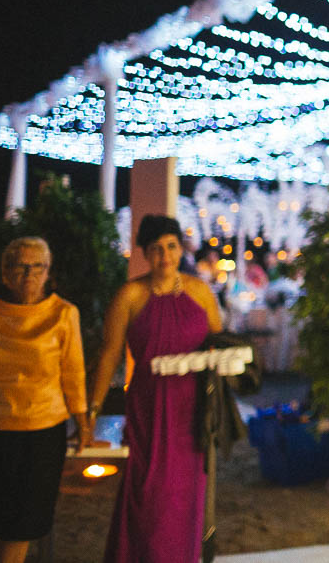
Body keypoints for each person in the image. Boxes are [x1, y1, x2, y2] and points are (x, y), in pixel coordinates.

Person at [85, 215, 222, 563]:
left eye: (172, 247)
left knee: (187, 497)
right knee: (148, 495)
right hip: (150, 407)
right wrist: (90, 413)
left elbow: (219, 344)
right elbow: (108, 356)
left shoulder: (200, 291)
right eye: (157, 249)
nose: (166, 256)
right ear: (145, 253)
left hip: (192, 410)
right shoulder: (129, 295)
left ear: (181, 248)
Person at [0, 237, 89, 563]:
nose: (29, 274)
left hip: (43, 433)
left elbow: (73, 374)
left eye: (38, 267)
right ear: (5, 273)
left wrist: (84, 422)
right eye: (20, 266)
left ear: (48, 273)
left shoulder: (63, 314)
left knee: (23, 526)